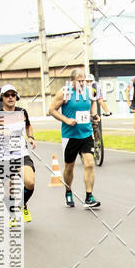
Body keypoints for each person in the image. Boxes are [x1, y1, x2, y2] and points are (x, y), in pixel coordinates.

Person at [0, 84, 36, 224]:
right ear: (2, 98)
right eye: (7, 95)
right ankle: (13, 216)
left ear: (16, 97)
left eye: (13, 95)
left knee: (30, 182)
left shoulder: (22, 112)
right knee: (9, 190)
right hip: (3, 158)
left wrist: (31, 137)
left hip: (21, 154)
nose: (10, 98)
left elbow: (29, 126)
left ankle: (22, 204)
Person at [48, 67, 100, 209]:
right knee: (69, 167)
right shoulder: (64, 92)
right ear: (72, 81)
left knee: (89, 163)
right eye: (79, 81)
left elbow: (93, 103)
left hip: (86, 133)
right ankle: (68, 191)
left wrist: (94, 115)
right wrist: (66, 120)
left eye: (84, 80)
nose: (82, 83)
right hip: (70, 136)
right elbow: (51, 110)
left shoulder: (89, 91)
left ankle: (89, 197)